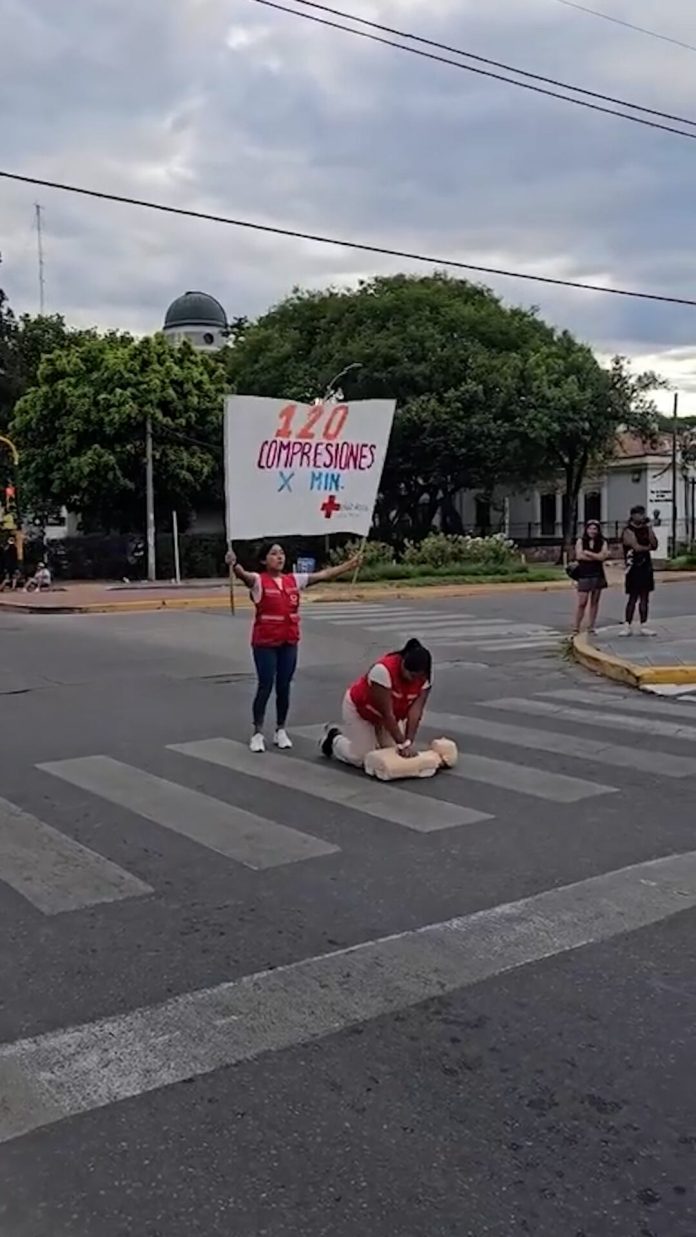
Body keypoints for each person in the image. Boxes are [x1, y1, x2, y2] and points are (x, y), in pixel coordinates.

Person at [227, 542, 361, 752]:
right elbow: (243, 576)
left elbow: (323, 575)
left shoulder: (293, 580)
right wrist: (234, 565)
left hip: (289, 642)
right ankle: (258, 733)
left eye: (281, 553)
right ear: (264, 560)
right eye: (273, 554)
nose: (279, 557)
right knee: (265, 685)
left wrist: (348, 566)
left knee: (284, 686)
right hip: (265, 643)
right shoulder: (258, 581)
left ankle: (280, 729)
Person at [321, 638, 432, 768]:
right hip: (361, 710)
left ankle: (374, 740)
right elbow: (387, 714)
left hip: (388, 717)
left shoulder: (424, 680)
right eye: (410, 674)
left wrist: (408, 742)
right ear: (403, 663)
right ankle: (334, 739)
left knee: (392, 753)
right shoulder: (382, 671)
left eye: (417, 677)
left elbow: (415, 713)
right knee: (363, 757)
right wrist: (402, 743)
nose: (412, 679)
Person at [621, 505, 658, 636]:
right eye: (638, 514)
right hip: (633, 567)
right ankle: (627, 624)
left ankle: (644, 624)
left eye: (642, 514)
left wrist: (650, 529)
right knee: (633, 597)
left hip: (646, 566)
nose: (641, 517)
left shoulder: (646, 529)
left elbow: (654, 545)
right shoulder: (628, 530)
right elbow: (635, 547)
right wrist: (646, 547)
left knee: (645, 597)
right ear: (633, 515)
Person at [572, 519, 609, 635]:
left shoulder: (602, 542)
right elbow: (579, 556)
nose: (592, 531)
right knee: (582, 602)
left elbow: (602, 557)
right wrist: (596, 557)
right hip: (584, 573)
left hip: (597, 573)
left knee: (595, 601)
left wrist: (588, 553)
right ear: (586, 529)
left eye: (595, 529)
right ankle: (576, 627)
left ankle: (591, 626)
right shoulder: (580, 541)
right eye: (590, 528)